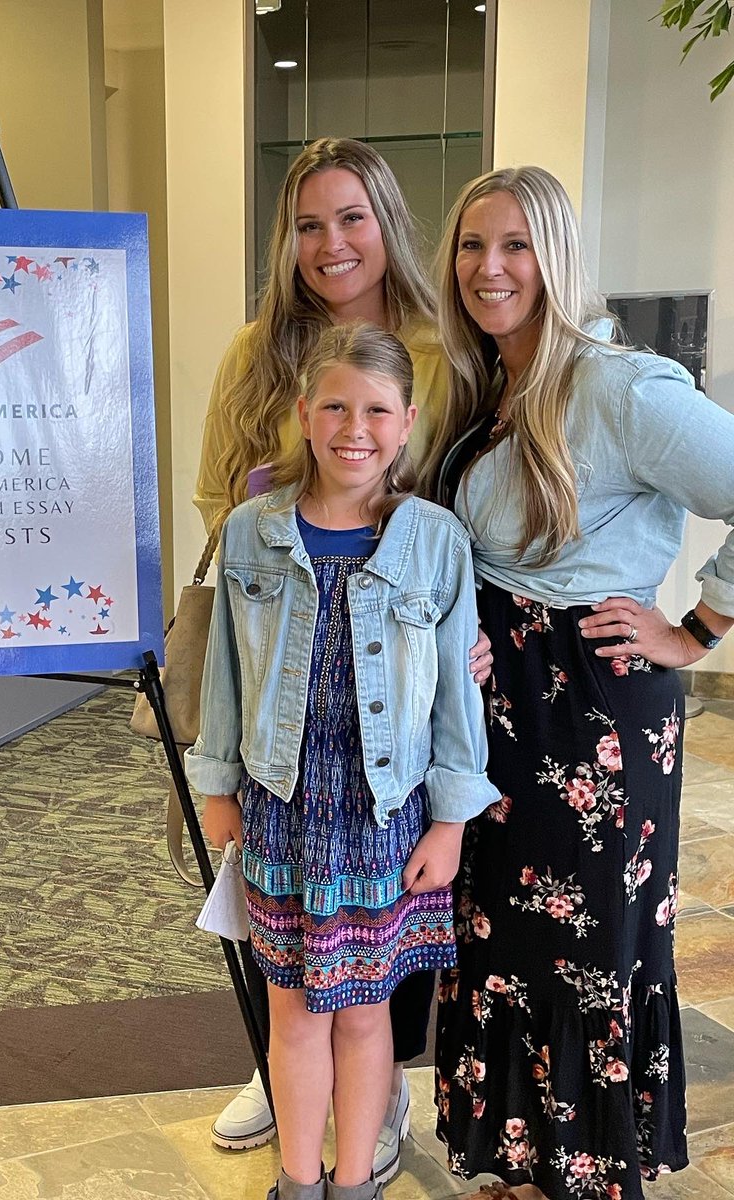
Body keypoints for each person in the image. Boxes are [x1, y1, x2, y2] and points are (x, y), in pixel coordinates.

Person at [422, 165, 734, 1200]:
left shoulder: (621, 385)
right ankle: (522, 1165)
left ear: (556, 258)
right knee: (505, 939)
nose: (490, 267)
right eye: (472, 245)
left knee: (589, 951)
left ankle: (585, 1178)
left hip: (592, 709)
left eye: (515, 245)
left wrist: (697, 627)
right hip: (501, 712)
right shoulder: (481, 381)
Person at [194, 136, 492, 1177]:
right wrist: (217, 777)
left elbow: (452, 528)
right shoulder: (256, 362)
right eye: (310, 224)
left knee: (363, 1003)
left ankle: (362, 1140)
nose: (331, 243)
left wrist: (452, 784)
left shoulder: (438, 347)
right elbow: (218, 524)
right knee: (295, 997)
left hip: (391, 748)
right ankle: (297, 1130)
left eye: (351, 218)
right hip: (282, 756)